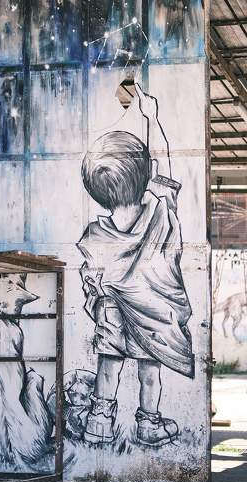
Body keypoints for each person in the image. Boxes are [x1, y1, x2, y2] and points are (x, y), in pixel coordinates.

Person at [76, 83, 194, 447]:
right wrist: (152, 118)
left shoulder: (95, 233)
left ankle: (99, 422)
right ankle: (149, 424)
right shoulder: (160, 215)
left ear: (95, 190)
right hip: (152, 314)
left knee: (108, 367)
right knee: (149, 372)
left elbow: (91, 280)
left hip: (111, 310)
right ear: (146, 176)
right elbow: (165, 166)